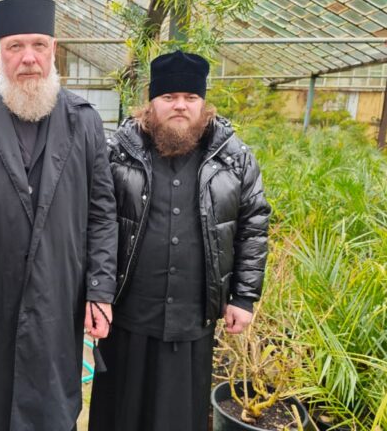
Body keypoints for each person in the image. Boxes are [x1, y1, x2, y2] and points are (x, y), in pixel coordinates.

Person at [0, 0, 118, 431]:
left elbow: (102, 212)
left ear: (54, 49)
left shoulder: (84, 120)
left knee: (51, 408)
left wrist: (100, 289)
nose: (29, 58)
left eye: (38, 45)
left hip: (60, 292)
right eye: (16, 46)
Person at [88, 50, 271, 431]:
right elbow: (95, 221)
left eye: (190, 97)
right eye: (169, 97)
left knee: (179, 418)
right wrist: (95, 292)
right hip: (128, 315)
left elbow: (253, 225)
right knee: (121, 415)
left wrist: (243, 297)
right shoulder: (117, 152)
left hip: (192, 319)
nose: (180, 106)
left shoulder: (234, 158)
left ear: (203, 103)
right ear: (151, 102)